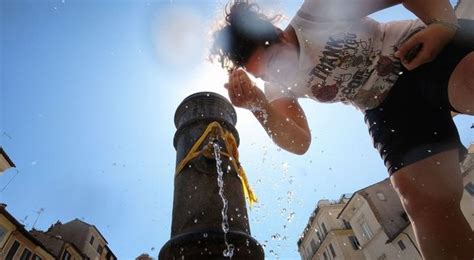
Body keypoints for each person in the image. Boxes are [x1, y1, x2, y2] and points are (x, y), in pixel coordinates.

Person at [210, 0, 474, 259]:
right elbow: (299, 142)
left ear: (281, 36)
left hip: (417, 48)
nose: (277, 73)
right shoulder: (276, 87)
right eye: (265, 74)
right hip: (384, 107)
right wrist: (259, 106)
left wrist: (442, 25)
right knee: (422, 199)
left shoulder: (317, 12)